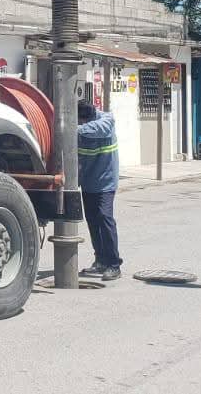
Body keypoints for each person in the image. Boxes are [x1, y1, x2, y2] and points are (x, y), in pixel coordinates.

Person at [76, 99, 122, 280]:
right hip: (88, 182)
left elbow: (102, 128)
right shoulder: (80, 127)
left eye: (81, 121)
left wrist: (73, 129)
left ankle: (114, 265)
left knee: (104, 218)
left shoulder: (106, 120)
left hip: (106, 182)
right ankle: (100, 261)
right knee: (93, 222)